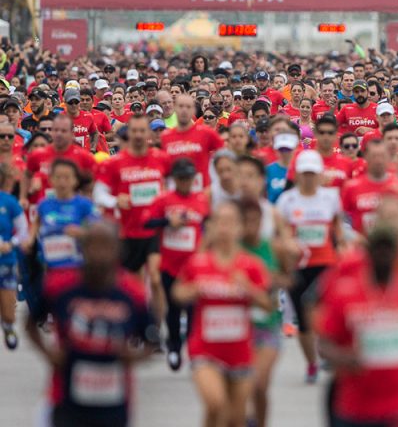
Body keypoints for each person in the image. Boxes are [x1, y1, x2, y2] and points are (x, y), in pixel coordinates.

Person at [26, 220, 159, 427]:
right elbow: (31, 323)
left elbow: (153, 341)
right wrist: (49, 353)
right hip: (65, 397)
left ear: (118, 251)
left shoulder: (133, 293)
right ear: (82, 249)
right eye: (93, 246)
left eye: (106, 246)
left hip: (114, 400)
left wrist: (133, 357)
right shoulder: (60, 286)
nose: (99, 254)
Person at [318, 223, 398, 427]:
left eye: (388, 249)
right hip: (357, 409)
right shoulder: (344, 292)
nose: (383, 254)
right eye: (378, 248)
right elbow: (324, 345)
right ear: (367, 253)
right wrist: (344, 358)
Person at [172, 202, 273, 427]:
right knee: (216, 403)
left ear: (239, 227)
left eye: (230, 222)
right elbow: (177, 293)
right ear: (213, 226)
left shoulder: (251, 265)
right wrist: (192, 290)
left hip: (240, 352)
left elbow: (268, 305)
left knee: (235, 419)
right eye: (220, 222)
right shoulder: (198, 263)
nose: (225, 228)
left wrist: (249, 289)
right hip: (205, 350)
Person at [93, 114, 170, 322]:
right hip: (127, 232)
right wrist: (115, 201)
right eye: (133, 131)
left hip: (154, 231)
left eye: (141, 131)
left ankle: (156, 326)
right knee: (133, 285)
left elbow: (172, 186)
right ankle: (137, 323)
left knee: (155, 279)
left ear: (149, 134)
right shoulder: (115, 163)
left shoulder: (161, 158)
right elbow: (99, 194)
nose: (137, 135)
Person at [276, 149, 343, 383]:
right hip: (299, 265)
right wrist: (288, 244)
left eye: (312, 173)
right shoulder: (287, 200)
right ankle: (312, 363)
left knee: (324, 313)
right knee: (303, 320)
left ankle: (326, 353)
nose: (308, 178)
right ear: (297, 175)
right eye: (304, 173)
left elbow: (338, 233)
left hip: (326, 263)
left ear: (319, 174)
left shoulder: (331, 197)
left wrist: (342, 256)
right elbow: (281, 233)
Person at [143, 158, 210, 372]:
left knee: (192, 308)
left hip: (193, 266)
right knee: (173, 308)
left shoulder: (201, 200)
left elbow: (208, 226)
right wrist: (166, 222)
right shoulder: (164, 199)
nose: (185, 183)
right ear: (174, 180)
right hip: (170, 264)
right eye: (181, 179)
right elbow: (146, 221)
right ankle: (174, 346)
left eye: (188, 179)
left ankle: (190, 347)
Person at [241, 199, 291, 427]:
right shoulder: (231, 250)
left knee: (259, 385)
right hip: (238, 328)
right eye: (245, 221)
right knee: (241, 389)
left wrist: (270, 281)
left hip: (267, 325)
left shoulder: (273, 248)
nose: (251, 225)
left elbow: (289, 279)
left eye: (255, 220)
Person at [160, 94, 225, 192]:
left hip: (202, 194)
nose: (184, 110)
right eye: (181, 106)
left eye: (188, 107)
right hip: (175, 195)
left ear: (194, 110)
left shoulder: (207, 133)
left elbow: (226, 156)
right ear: (175, 108)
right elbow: (162, 169)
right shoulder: (165, 137)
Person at [341, 139, 398, 236]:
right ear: (366, 157)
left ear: (388, 157)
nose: (378, 160)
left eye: (382, 156)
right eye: (374, 156)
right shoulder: (352, 187)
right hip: (361, 245)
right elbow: (341, 220)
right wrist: (352, 237)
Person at [0, 162, 27, 349]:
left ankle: (8, 325)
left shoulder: (10, 203)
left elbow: (23, 230)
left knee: (9, 312)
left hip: (6, 260)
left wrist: (11, 244)